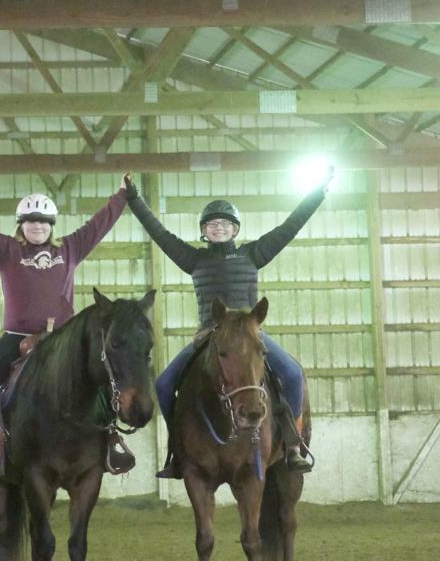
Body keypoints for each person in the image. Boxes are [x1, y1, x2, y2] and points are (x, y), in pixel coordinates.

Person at [125, 168, 332, 477]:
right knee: (164, 384)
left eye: (224, 224)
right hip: (210, 335)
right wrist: (133, 197)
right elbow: (160, 234)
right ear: (204, 231)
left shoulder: (254, 253)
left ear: (235, 229)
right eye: (212, 224)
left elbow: (289, 226)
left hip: (249, 333)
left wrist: (318, 191)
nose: (218, 228)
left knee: (290, 373)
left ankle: (292, 444)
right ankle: (177, 450)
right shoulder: (193, 259)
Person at [0, 172, 130, 473]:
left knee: (101, 373)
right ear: (21, 225)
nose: (37, 226)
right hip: (17, 336)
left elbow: (99, 224)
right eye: (31, 221)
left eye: (43, 221)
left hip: (63, 338)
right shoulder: (6, 250)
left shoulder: (70, 248)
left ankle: (110, 436)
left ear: (51, 226)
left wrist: (121, 195)